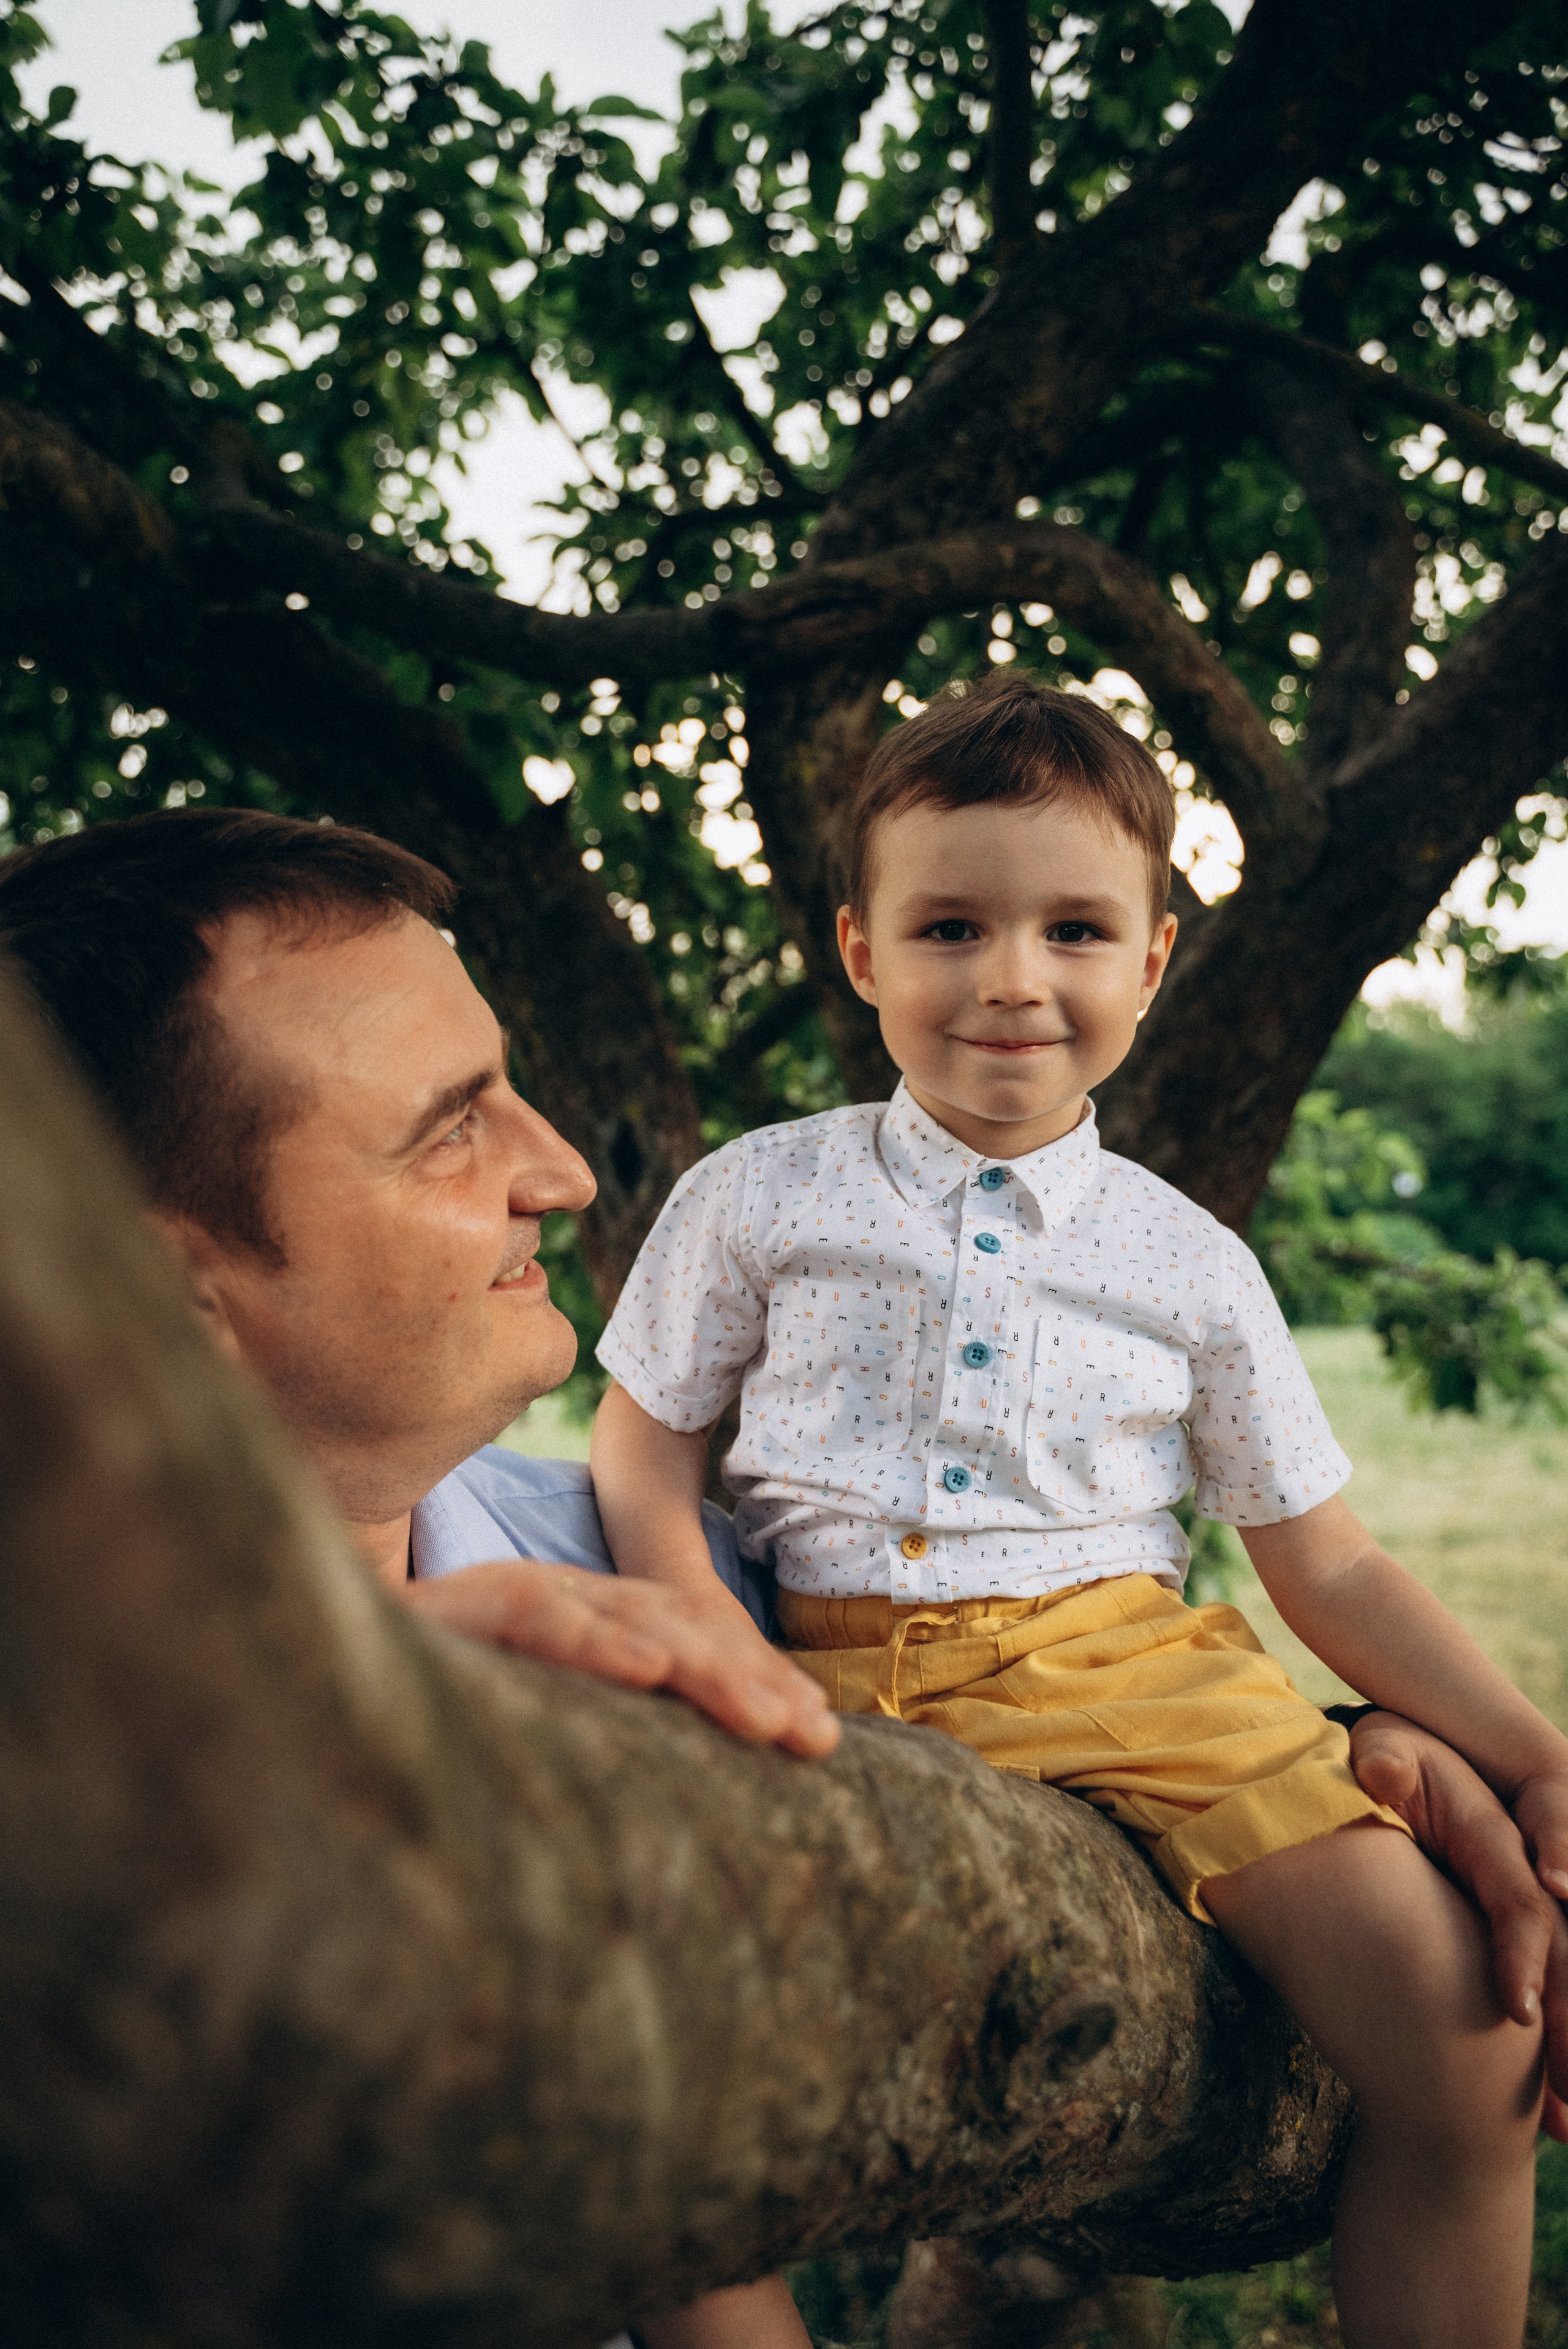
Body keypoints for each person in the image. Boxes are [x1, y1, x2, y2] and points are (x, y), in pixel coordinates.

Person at [1, 802, 1564, 2337]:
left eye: (515, 1093)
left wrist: (1357, 1748)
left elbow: (1032, 1688)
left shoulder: (659, 1597)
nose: (562, 1174)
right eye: (452, 1126)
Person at [590, 673, 1568, 2349]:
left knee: (1470, 2037)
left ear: (1154, 958)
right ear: (861, 948)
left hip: (1130, 1670)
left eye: (1075, 929)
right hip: (814, 1658)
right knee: (643, 2057)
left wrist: (1537, 1753)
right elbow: (641, 1452)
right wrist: (686, 1622)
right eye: (953, 925)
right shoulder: (758, 1192)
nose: (1014, 979)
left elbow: (1321, 1553)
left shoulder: (1188, 1261)